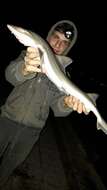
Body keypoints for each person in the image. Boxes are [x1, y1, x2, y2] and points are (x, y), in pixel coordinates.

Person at [0, 20, 89, 187]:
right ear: (48, 37)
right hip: (6, 120)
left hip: (31, 132)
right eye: (56, 37)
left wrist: (67, 103)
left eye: (64, 42)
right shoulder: (29, 55)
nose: (58, 44)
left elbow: (58, 108)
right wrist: (24, 69)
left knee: (7, 168)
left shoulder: (63, 77)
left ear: (67, 47)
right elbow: (9, 75)